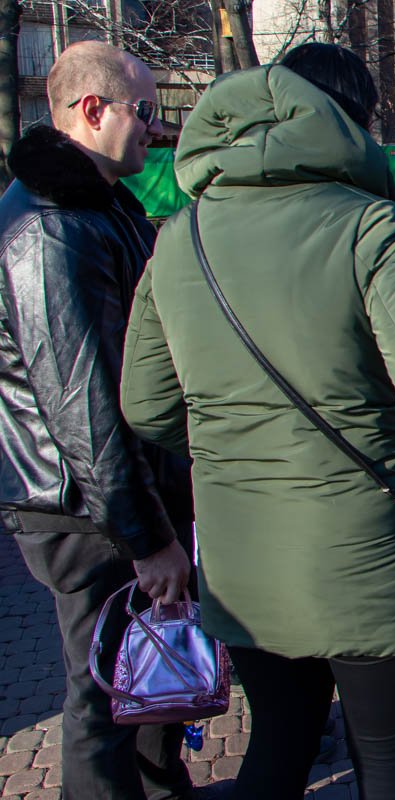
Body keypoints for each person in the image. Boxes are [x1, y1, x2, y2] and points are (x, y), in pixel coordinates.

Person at [120, 44, 395, 800]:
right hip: (365, 556)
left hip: (241, 558)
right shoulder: (367, 225)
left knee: (279, 747)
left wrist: (235, 446)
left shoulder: (179, 236)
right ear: (344, 122)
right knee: (388, 761)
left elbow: (147, 406)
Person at [0, 41, 195, 800]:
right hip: (85, 509)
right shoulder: (49, 233)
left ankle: (162, 785)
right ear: (92, 110)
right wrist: (147, 538)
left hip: (116, 494)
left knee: (143, 673)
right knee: (102, 691)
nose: (155, 126)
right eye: (144, 110)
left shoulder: (96, 208)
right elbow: (81, 404)